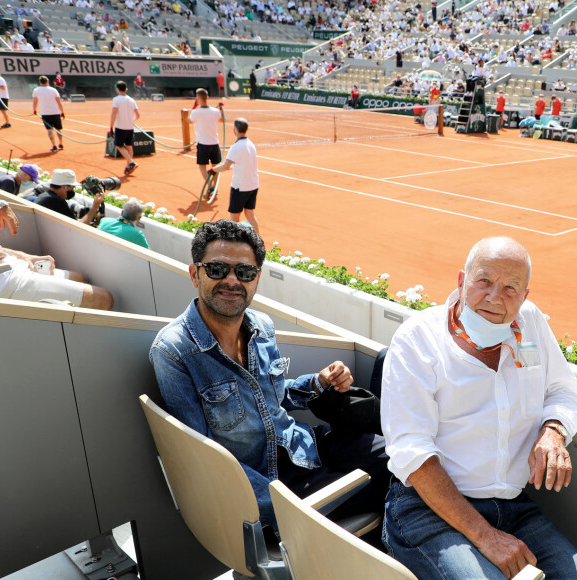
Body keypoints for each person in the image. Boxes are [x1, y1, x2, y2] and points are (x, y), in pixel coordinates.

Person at [149, 219, 390, 532]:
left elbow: (272, 396)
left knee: (402, 460)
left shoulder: (262, 326)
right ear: (195, 275)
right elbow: (205, 458)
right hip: (268, 480)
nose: (232, 280)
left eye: (245, 272)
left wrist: (317, 383)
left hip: (305, 446)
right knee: (391, 490)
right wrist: (280, 508)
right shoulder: (174, 352)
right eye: (218, 269)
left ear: (257, 279)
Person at [381, 236, 577, 580]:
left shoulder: (530, 323)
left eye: (511, 288)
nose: (494, 297)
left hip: (513, 508)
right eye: (484, 280)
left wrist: (553, 432)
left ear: (525, 296)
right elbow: (413, 453)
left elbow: (563, 388)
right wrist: (486, 537)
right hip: (427, 508)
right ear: (461, 281)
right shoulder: (417, 340)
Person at [0, 243, 113, 310]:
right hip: (8, 284)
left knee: (78, 278)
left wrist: (25, 256)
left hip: (12, 266)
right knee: (103, 299)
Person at [210, 118, 260, 234]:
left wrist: (213, 169)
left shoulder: (236, 147)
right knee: (250, 214)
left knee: (234, 217)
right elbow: (242, 165)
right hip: (252, 185)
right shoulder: (250, 144)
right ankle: (258, 240)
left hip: (240, 187)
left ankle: (236, 242)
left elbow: (225, 166)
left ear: (235, 130)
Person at [34, 169, 105, 226]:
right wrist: (95, 206)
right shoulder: (56, 201)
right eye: (72, 188)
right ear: (64, 187)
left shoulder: (45, 196)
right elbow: (79, 226)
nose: (72, 191)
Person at [189, 88, 223, 198]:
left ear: (198, 99)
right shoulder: (215, 111)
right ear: (207, 98)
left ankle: (210, 187)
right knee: (216, 166)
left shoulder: (196, 112)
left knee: (202, 166)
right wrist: (220, 109)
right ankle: (214, 187)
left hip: (203, 144)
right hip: (214, 143)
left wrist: (193, 108)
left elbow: (189, 120)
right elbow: (221, 119)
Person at [109, 80, 140, 176]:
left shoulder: (116, 99)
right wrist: (131, 121)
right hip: (130, 127)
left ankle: (131, 162)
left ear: (117, 89)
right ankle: (128, 168)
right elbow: (138, 115)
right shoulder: (131, 100)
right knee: (129, 146)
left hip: (120, 127)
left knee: (119, 146)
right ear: (126, 89)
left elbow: (114, 113)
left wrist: (111, 126)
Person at [32, 75, 65, 152]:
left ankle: (54, 146)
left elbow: (35, 102)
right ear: (47, 81)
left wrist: (34, 110)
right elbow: (59, 102)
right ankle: (61, 143)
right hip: (55, 112)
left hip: (45, 113)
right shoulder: (53, 90)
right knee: (58, 129)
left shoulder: (36, 90)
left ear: (40, 82)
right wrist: (62, 112)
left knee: (49, 130)